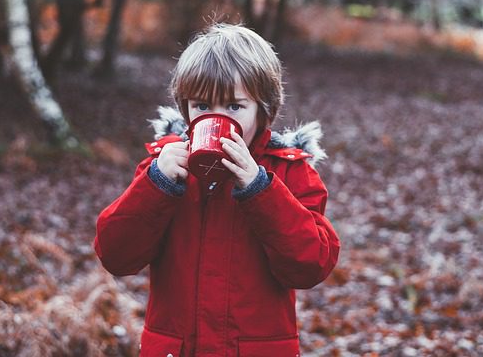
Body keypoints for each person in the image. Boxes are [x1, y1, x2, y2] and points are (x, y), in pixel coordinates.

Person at [94, 23, 340, 356]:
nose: (216, 117)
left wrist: (260, 189)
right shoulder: (164, 167)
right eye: (202, 106)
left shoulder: (288, 171)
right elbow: (116, 255)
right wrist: (157, 184)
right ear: (185, 108)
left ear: (263, 109)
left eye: (234, 107)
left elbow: (311, 265)